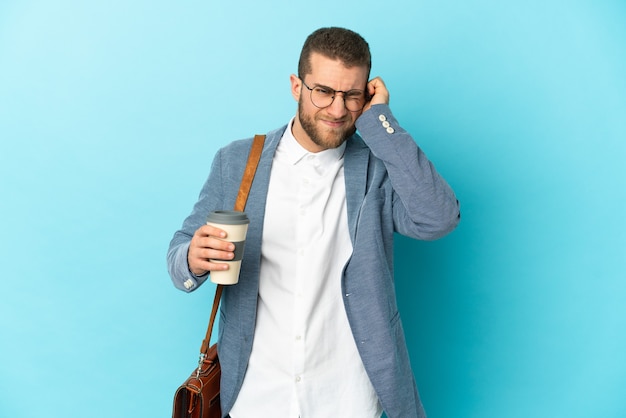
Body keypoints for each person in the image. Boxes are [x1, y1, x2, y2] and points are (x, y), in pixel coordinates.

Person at [167, 27, 460, 418]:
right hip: (257, 398)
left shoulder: (379, 168)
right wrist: (192, 257)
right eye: (323, 91)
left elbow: (438, 219)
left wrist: (382, 122)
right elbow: (180, 255)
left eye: (352, 95)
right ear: (296, 86)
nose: (338, 110)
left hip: (348, 399)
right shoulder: (237, 162)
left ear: (367, 94)